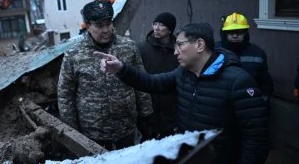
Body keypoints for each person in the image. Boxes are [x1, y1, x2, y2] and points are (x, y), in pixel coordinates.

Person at [94, 23, 270, 164]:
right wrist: (121, 69)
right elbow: (151, 82)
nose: (176, 51)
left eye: (180, 44)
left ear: (199, 45)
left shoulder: (238, 81)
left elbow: (256, 138)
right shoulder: (183, 74)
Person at [57, 0, 153, 151]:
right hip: (93, 133)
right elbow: (65, 95)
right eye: (99, 25)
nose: (106, 29)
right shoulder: (74, 54)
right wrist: (72, 132)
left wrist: (146, 115)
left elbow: (140, 81)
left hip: (126, 127)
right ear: (88, 27)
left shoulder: (128, 47)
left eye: (108, 23)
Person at [137, 12, 179, 140]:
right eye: (155, 24)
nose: (156, 28)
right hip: (148, 108)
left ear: (170, 29)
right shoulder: (141, 48)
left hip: (172, 107)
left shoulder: (179, 49)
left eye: (161, 25)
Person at [216, 12, 274, 97]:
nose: (235, 35)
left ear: (245, 33)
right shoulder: (215, 51)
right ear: (224, 33)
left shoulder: (257, 53)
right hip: (221, 99)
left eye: (239, 32)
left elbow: (264, 81)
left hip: (248, 99)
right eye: (231, 32)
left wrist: (263, 100)